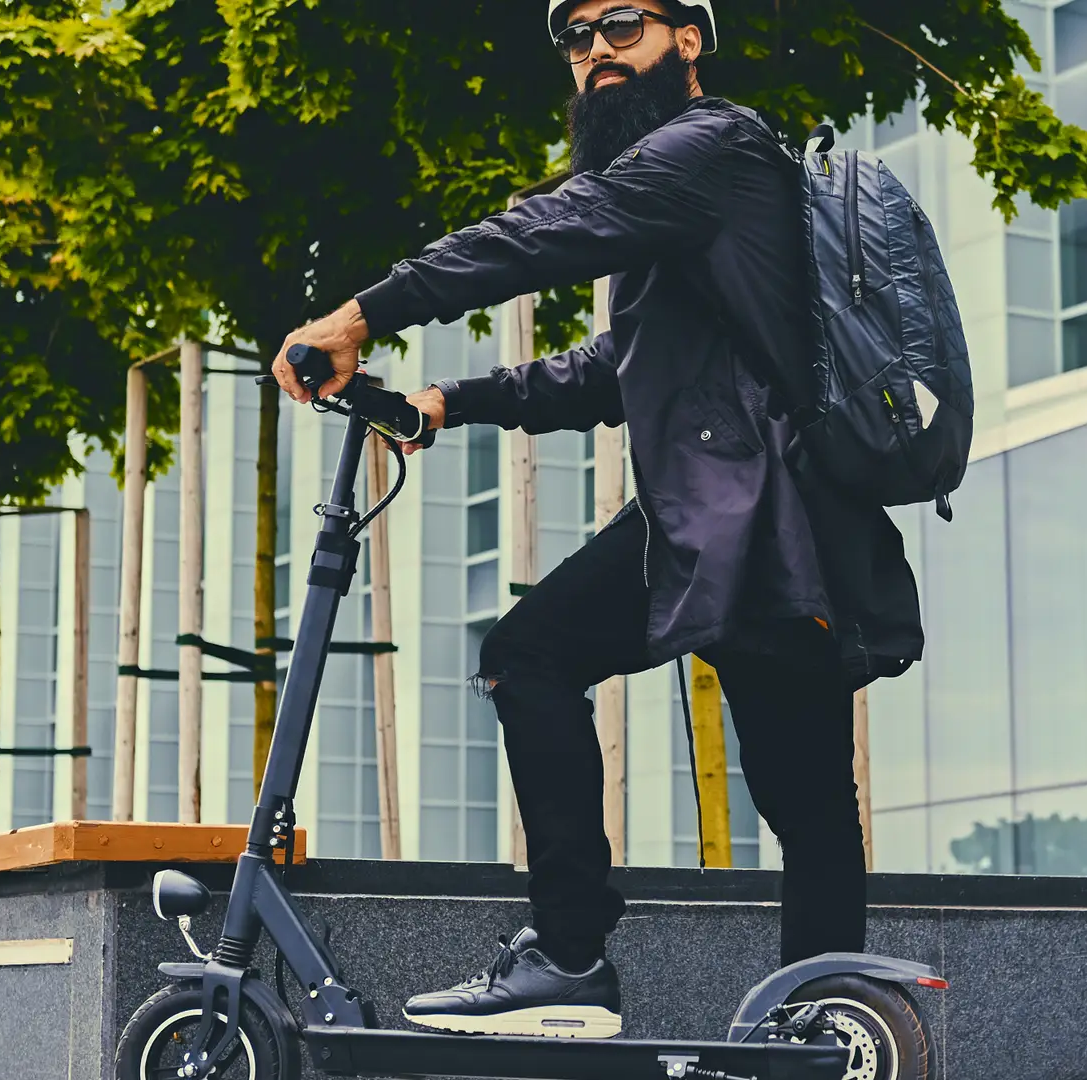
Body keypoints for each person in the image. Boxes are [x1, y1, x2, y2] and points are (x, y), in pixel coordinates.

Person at [270, 0, 922, 1040]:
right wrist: (454, 402)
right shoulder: (679, 199)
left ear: (689, 38)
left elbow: (549, 230)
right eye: (576, 39)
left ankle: (578, 958)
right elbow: (620, 366)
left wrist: (363, 312)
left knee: (537, 659)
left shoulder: (711, 145)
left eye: (622, 24)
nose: (596, 51)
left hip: (755, 510)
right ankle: (825, 1026)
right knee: (805, 798)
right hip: (750, 513)